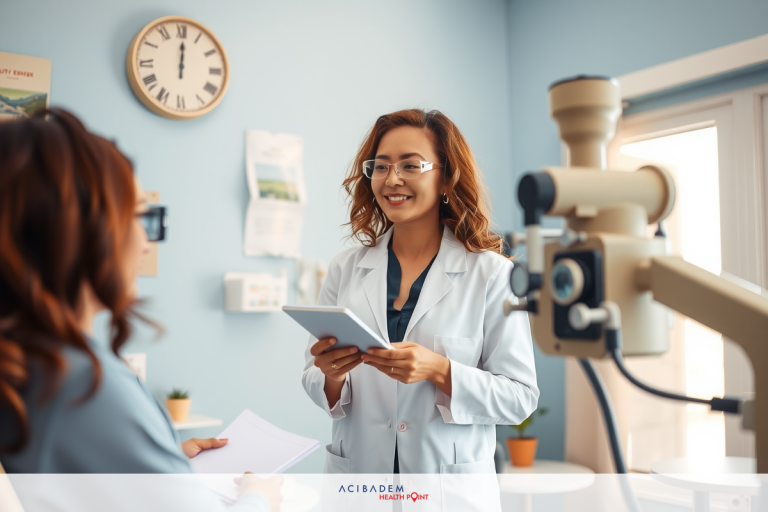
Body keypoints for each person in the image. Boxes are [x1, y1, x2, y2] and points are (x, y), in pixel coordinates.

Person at [0, 109, 280, 511]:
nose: (147, 243)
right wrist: (258, 497)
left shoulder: (29, 358)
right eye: (137, 216)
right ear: (79, 230)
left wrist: (163, 465)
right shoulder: (83, 383)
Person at [302, 109, 540, 475]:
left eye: (410, 166)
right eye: (380, 167)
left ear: (446, 178)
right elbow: (313, 376)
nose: (391, 179)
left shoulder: (492, 274)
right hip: (361, 478)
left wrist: (440, 370)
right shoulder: (345, 267)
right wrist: (332, 374)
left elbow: (520, 398)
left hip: (446, 486)